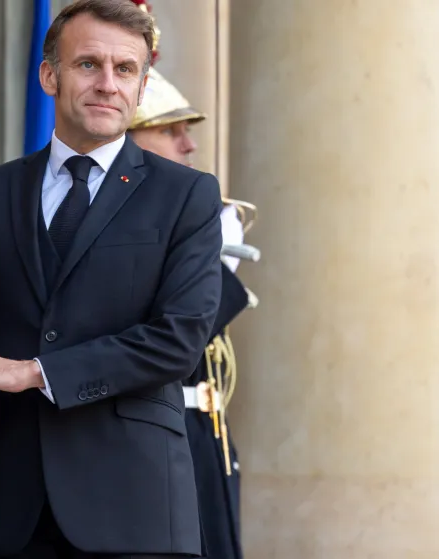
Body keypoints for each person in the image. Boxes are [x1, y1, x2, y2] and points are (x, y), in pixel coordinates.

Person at [0, 1, 223, 557]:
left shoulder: (187, 195)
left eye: (125, 69)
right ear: (49, 76)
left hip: (136, 510)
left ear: (141, 85)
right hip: (8, 506)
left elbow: (179, 339)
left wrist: (34, 373)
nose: (108, 84)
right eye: (88, 64)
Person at [126, 33, 252, 559]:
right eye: (169, 130)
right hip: (153, 433)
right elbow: (173, 335)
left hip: (205, 431)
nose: (188, 144)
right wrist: (215, 269)